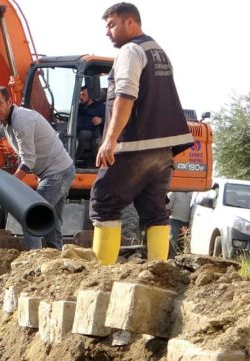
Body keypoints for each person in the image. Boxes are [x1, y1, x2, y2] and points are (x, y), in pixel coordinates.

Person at [90, 3, 195, 265]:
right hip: (162, 152)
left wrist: (110, 139)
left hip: (133, 146)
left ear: (131, 23)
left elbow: (126, 95)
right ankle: (159, 270)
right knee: (154, 211)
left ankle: (101, 273)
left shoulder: (131, 50)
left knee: (104, 203)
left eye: (112, 25)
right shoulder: (157, 51)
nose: (107, 32)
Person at [0, 85, 75, 250]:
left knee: (31, 217)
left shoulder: (22, 120)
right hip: (54, 173)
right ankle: (54, 259)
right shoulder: (1, 125)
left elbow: (28, 161)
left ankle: (34, 259)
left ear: (9, 101)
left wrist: (9, 186)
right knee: (52, 221)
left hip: (58, 173)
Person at [76, 86, 106, 162]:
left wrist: (101, 120)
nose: (80, 97)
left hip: (93, 132)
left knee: (83, 134)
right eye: (80, 95)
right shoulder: (78, 107)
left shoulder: (100, 106)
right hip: (77, 130)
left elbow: (109, 119)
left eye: (83, 95)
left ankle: (72, 160)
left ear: (90, 96)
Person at [167, 190, 192, 256]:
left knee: (182, 243)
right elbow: (167, 205)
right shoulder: (173, 193)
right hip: (175, 220)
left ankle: (180, 258)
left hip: (186, 221)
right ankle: (172, 257)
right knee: (173, 241)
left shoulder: (190, 193)